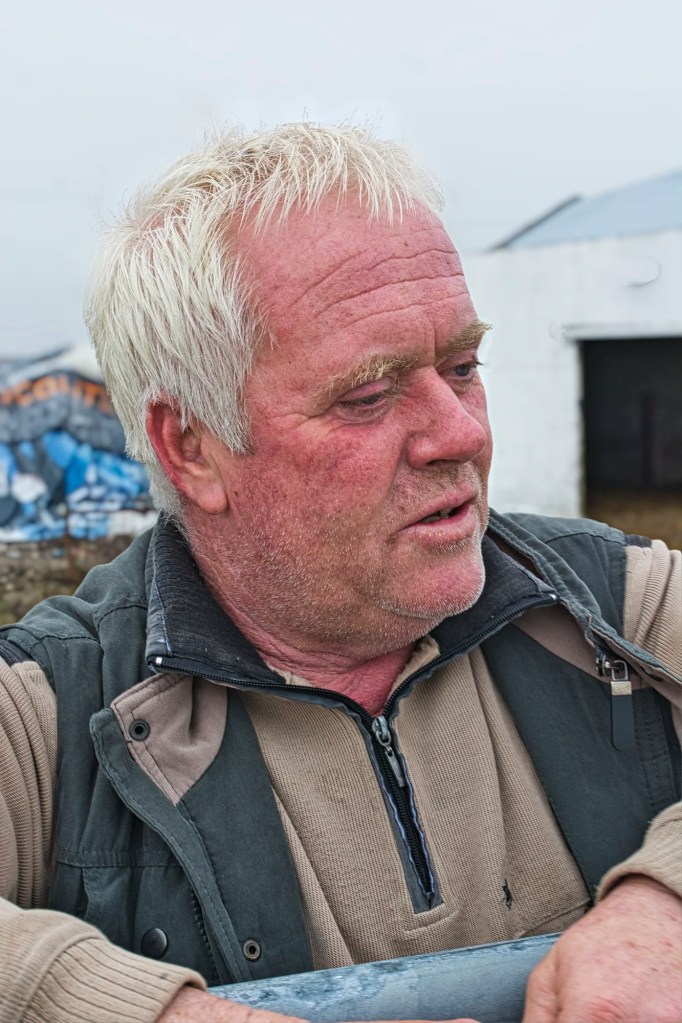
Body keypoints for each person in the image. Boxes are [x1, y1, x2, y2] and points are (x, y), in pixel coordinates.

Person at [0, 124, 680, 1023]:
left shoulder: (616, 602)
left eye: (462, 366)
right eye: (367, 394)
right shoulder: (46, 711)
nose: (462, 432)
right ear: (191, 447)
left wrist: (664, 900)